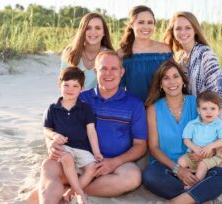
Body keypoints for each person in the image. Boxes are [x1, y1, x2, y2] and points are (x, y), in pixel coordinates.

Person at [27, 51, 147, 204]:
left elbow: (140, 146)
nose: (108, 73)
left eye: (114, 69)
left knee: (133, 177)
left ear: (121, 72)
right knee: (49, 166)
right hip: (77, 160)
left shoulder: (134, 104)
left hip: (113, 166)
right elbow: (53, 126)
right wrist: (51, 144)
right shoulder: (81, 98)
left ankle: (72, 191)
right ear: (96, 71)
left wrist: (115, 162)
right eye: (103, 68)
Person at [164, 11, 222, 172]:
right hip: (195, 117)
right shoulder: (179, 57)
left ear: (195, 30)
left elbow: (218, 89)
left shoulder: (205, 53)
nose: (183, 32)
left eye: (187, 28)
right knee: (201, 167)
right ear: (173, 31)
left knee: (220, 171)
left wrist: (213, 121)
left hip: (212, 115)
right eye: (178, 29)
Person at [142, 60, 222, 203]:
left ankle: (182, 198)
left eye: (176, 76)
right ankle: (195, 194)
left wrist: (208, 150)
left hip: (199, 167)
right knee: (149, 176)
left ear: (183, 80)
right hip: (168, 169)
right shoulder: (153, 109)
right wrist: (178, 170)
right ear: (160, 85)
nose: (172, 82)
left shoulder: (198, 103)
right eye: (166, 78)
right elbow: (153, 148)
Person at [43, 67, 103, 203]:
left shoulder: (85, 108)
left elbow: (91, 131)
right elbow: (46, 129)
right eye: (66, 85)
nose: (70, 89)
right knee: (67, 158)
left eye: (75, 86)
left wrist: (96, 152)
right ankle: (80, 193)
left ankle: (72, 191)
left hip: (82, 148)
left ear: (81, 88)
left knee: (93, 167)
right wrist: (54, 136)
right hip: (64, 147)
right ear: (60, 85)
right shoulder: (52, 108)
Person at [118, 5, 172, 102]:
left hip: (162, 107)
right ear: (131, 25)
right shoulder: (122, 54)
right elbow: (119, 89)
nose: (146, 27)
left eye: (150, 22)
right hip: (135, 109)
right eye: (141, 22)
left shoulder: (164, 50)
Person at [177, 90, 222, 189]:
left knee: (202, 165)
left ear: (219, 111)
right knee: (180, 161)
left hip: (211, 157)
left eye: (213, 108)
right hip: (193, 154)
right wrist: (195, 148)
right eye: (204, 108)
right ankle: (185, 178)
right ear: (198, 110)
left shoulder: (218, 124)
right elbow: (186, 140)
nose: (209, 112)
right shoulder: (192, 124)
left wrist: (211, 146)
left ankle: (194, 185)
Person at [61, 12, 114, 90]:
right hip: (74, 100)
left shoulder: (110, 56)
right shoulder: (70, 53)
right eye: (88, 28)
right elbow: (64, 84)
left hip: (100, 101)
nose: (93, 32)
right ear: (82, 31)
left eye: (98, 28)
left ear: (104, 32)